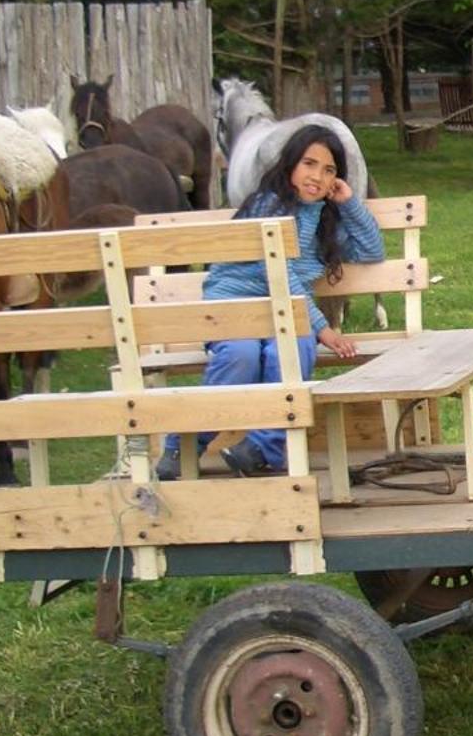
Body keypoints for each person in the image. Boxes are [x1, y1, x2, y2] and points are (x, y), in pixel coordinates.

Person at [156, 125, 384, 480]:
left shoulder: (325, 219)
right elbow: (277, 273)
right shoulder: (268, 206)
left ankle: (262, 449)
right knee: (240, 357)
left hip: (285, 311)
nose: (317, 177)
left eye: (329, 171)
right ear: (291, 164)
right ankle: (183, 446)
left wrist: (348, 202)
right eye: (309, 164)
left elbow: (372, 250)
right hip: (236, 304)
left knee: (291, 350)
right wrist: (323, 329)